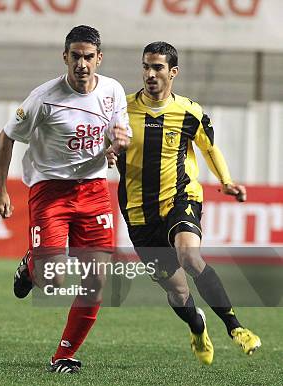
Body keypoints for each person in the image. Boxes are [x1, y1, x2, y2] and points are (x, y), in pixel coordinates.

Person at [107, 41, 261, 365]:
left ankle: (236, 328)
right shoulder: (121, 110)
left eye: (158, 67)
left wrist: (226, 181)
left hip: (181, 196)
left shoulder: (190, 112)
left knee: (189, 256)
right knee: (177, 291)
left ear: (172, 72)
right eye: (146, 66)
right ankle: (197, 326)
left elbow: (209, 147)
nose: (150, 74)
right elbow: (105, 143)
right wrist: (107, 151)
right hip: (138, 210)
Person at [0, 25, 131, 373]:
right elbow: (7, 137)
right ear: (65, 57)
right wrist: (0, 188)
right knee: (52, 280)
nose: (82, 64)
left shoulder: (113, 90)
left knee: (97, 278)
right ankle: (30, 267)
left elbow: (119, 134)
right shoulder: (43, 97)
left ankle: (64, 355)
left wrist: (116, 146)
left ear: (99, 58)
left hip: (95, 190)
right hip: (51, 191)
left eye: (88, 57)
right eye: (76, 57)